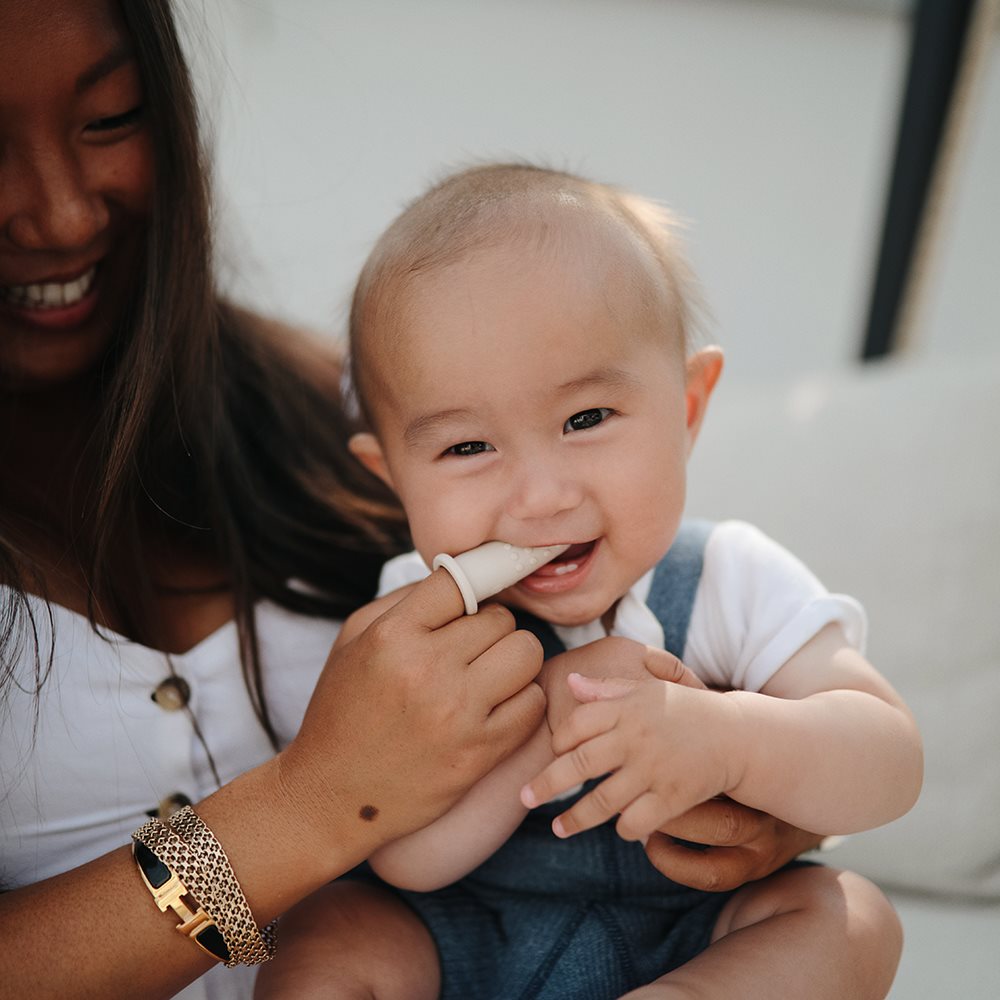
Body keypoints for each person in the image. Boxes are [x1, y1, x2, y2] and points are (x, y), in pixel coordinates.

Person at [0, 4, 822, 998]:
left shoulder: (326, 413)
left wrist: (764, 785)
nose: (63, 214)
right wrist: (308, 810)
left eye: (112, 119)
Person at [255, 164, 922, 1000]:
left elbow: (889, 760)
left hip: (693, 938)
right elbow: (407, 859)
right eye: (467, 448)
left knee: (849, 914)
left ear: (686, 408)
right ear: (392, 478)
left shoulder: (726, 576)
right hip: (466, 941)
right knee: (328, 934)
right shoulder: (413, 620)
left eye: (585, 420)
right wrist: (549, 715)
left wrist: (726, 735)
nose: (540, 497)